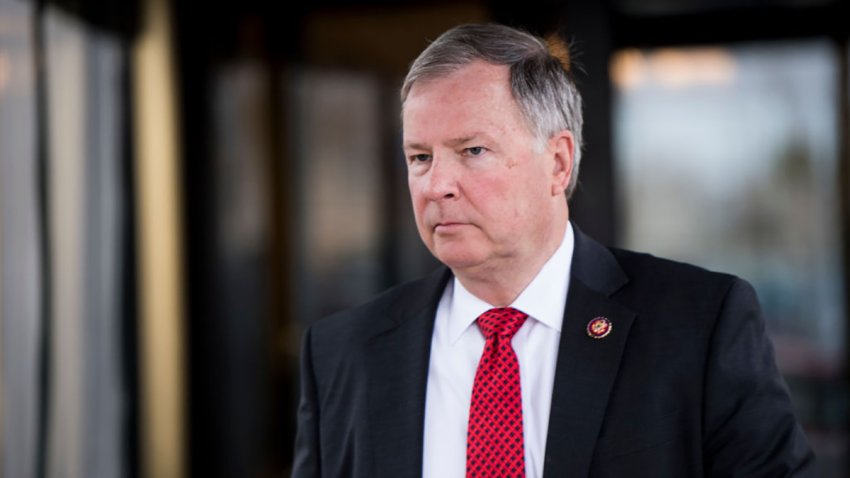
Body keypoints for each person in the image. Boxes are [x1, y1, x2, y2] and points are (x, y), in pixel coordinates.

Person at [292, 23, 815, 477]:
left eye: (472, 151)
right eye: (420, 156)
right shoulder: (344, 354)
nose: (437, 185)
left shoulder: (697, 326)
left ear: (559, 163)